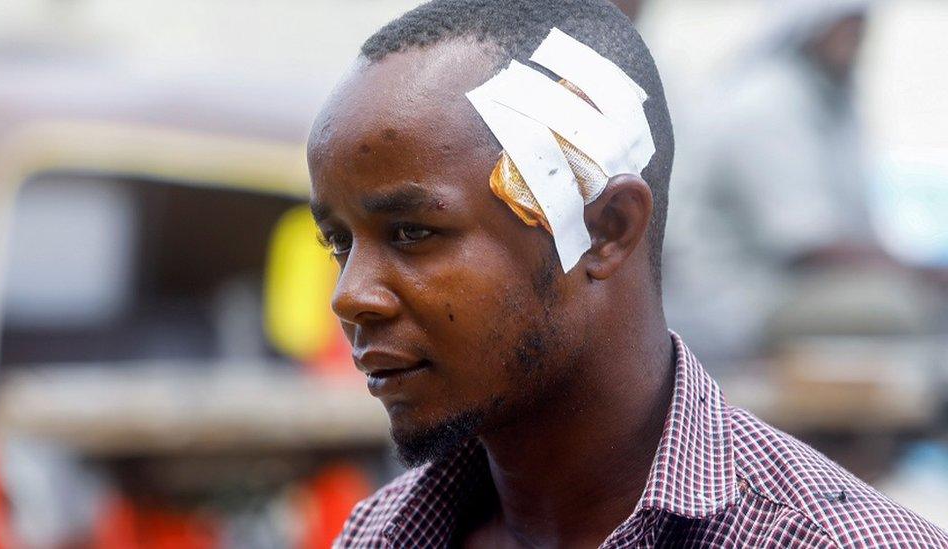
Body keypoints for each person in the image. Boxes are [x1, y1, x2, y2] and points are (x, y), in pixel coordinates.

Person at [306, 0, 948, 546]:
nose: (349, 296)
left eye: (413, 233)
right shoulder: (382, 533)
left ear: (608, 229)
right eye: (338, 242)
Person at [664, 0, 884, 360]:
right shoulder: (766, 102)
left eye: (860, 26)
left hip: (790, 292)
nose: (857, 38)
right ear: (813, 23)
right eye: (847, 25)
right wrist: (916, 272)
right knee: (893, 307)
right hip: (739, 303)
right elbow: (808, 246)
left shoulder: (831, 101)